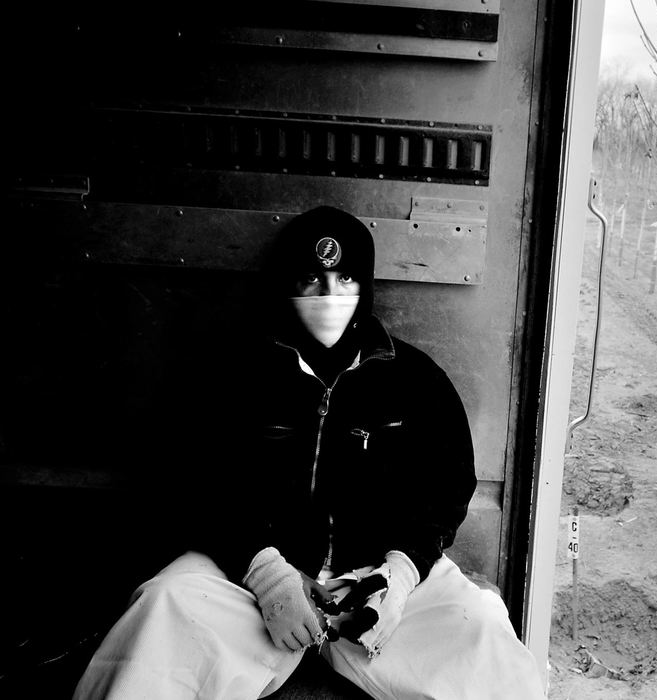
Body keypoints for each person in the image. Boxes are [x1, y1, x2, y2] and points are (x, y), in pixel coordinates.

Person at [73, 205, 546, 699]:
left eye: (344, 280)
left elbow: (446, 489)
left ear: (365, 285)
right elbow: (190, 478)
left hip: (375, 585)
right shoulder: (230, 372)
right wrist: (265, 571)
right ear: (286, 285)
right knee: (161, 615)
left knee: (483, 634)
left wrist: (401, 575)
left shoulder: (417, 379)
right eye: (311, 281)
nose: (329, 297)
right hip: (252, 580)